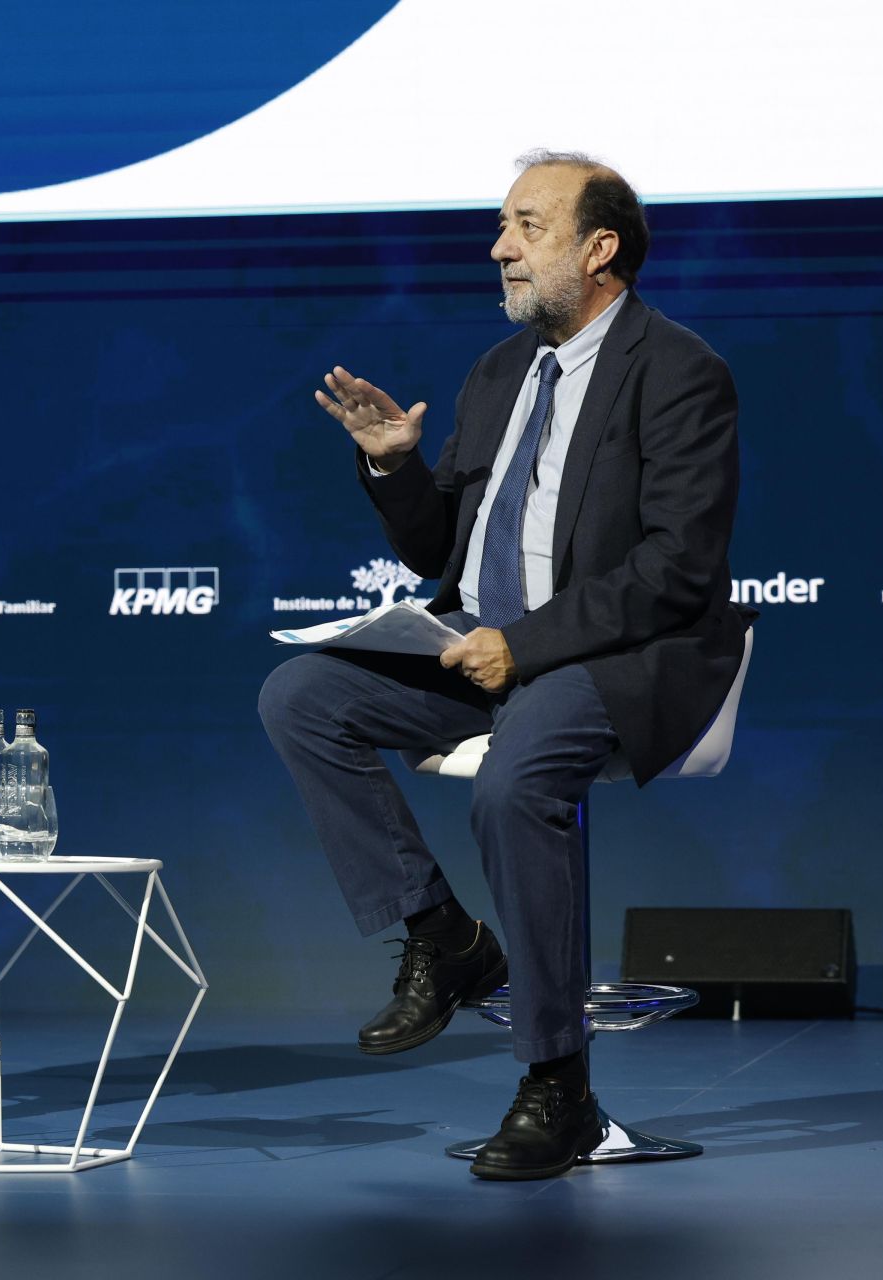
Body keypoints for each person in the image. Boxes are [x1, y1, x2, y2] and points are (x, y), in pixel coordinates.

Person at [258, 152, 749, 1180]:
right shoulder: (497, 372)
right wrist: (392, 464)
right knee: (304, 695)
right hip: (483, 643)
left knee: (518, 783)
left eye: (527, 225)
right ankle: (442, 934)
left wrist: (522, 645)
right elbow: (440, 549)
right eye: (501, 225)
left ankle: (556, 1082)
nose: (500, 247)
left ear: (598, 249)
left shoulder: (680, 372)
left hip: (615, 654)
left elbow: (675, 569)